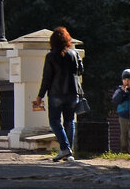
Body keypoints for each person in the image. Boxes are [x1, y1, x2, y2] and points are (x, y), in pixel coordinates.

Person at [34, 25, 84, 162]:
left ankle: (65, 148)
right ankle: (69, 153)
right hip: (73, 93)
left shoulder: (51, 56)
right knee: (69, 121)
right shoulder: (74, 54)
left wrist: (40, 95)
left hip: (56, 93)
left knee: (54, 121)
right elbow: (80, 70)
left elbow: (47, 78)